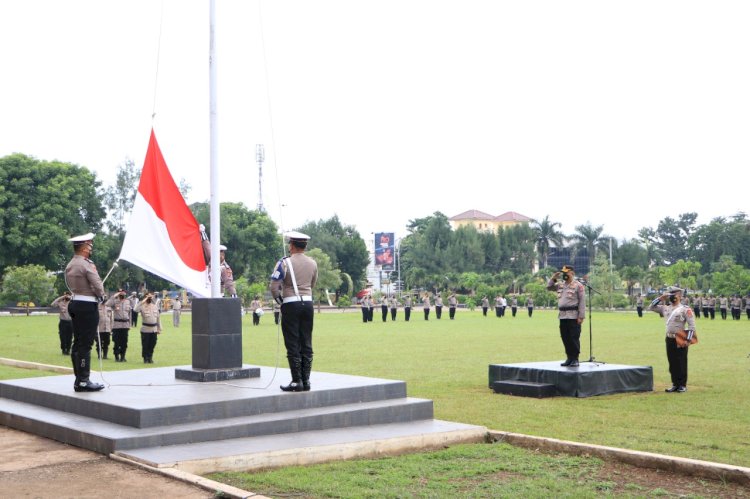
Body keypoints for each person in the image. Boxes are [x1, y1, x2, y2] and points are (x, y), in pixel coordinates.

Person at [270, 231, 318, 392]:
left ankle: (297, 380)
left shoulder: (284, 263)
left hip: (291, 303)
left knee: (292, 342)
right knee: (306, 341)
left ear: (291, 245)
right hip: (308, 304)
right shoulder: (313, 263)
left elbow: (274, 286)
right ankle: (306, 380)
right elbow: (312, 284)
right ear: (305, 246)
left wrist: (280, 301)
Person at [64, 232, 105, 392]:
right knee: (85, 344)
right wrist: (101, 295)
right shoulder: (86, 264)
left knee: (78, 343)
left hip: (75, 303)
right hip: (87, 306)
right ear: (84, 247)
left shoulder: (70, 264)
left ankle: (79, 379)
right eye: (89, 245)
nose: (91, 249)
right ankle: (83, 380)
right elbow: (97, 284)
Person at [648, 286, 696, 393]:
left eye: (673, 295)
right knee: (672, 362)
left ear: (679, 296)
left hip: (681, 337)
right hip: (669, 338)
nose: (671, 297)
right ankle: (675, 384)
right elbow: (651, 307)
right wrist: (661, 298)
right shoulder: (666, 308)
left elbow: (692, 326)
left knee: (681, 362)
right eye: (670, 295)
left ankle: (682, 385)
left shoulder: (685, 309)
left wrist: (688, 340)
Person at [547, 265, 586, 367]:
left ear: (572, 273)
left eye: (566, 272)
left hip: (573, 316)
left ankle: (575, 359)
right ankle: (569, 358)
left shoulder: (578, 285)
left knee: (574, 338)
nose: (564, 274)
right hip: (563, 316)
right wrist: (554, 278)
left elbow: (582, 301)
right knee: (565, 338)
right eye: (563, 273)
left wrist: (581, 316)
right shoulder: (560, 285)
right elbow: (549, 287)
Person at [200, 225, 237, 297]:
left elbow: (229, 282)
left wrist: (233, 294)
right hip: (205, 289)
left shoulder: (225, 267)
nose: (221, 255)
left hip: (218, 294)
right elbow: (207, 245)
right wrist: (203, 232)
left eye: (222, 253)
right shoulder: (212, 258)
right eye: (219, 252)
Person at [135, 292, 161, 363]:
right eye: (148, 297)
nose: (150, 298)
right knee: (145, 345)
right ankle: (145, 358)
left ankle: (150, 357)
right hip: (145, 329)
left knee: (152, 344)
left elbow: (158, 318)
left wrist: (159, 328)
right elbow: (135, 309)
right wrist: (142, 301)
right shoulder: (142, 306)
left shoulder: (154, 306)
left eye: (151, 297)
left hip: (154, 329)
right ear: (145, 297)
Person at [107, 290, 132, 362]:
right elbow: (107, 304)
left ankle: (123, 356)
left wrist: (129, 324)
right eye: (120, 293)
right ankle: (116, 356)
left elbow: (129, 314)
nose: (122, 294)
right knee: (116, 342)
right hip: (117, 325)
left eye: (123, 293)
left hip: (125, 325)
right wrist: (114, 296)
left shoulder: (127, 302)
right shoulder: (114, 301)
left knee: (124, 342)